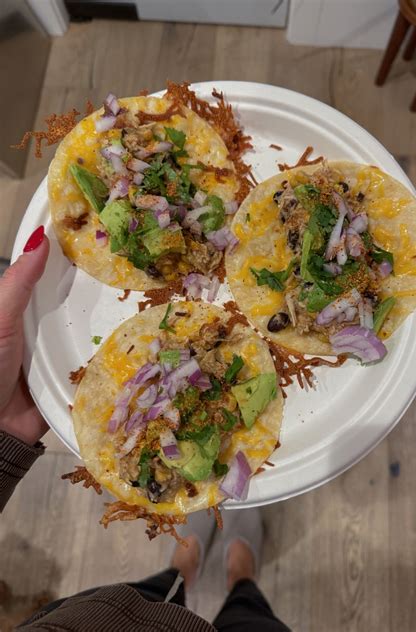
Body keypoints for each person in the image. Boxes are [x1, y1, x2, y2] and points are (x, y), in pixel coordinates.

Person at [0, 225, 291, 632]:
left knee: (154, 592)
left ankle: (187, 565)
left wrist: (3, 435)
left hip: (92, 620)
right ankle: (241, 575)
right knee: (250, 614)